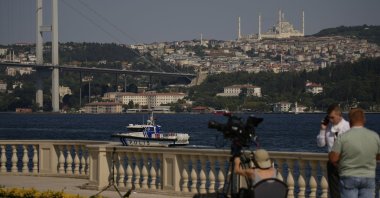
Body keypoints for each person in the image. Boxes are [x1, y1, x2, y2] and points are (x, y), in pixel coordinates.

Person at [329, 108, 380, 198]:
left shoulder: (343, 137)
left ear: (350, 121)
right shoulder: (374, 136)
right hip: (368, 176)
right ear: (364, 120)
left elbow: (333, 158)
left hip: (349, 175)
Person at [317, 104, 350, 198]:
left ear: (339, 115)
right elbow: (321, 144)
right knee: (334, 192)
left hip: (346, 163)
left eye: (332, 117)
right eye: (329, 117)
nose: (331, 120)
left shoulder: (348, 127)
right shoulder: (328, 129)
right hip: (332, 164)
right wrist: (322, 129)